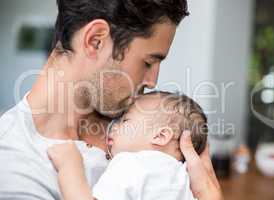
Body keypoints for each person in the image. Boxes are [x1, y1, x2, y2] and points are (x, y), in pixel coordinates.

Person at [0, 0, 223, 200]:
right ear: (95, 41)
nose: (153, 81)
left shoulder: (138, 119)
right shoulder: (15, 168)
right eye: (148, 62)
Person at [48, 92, 208, 200]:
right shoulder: (184, 178)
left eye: (125, 121)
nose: (113, 126)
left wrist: (69, 167)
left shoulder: (130, 164)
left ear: (160, 136)